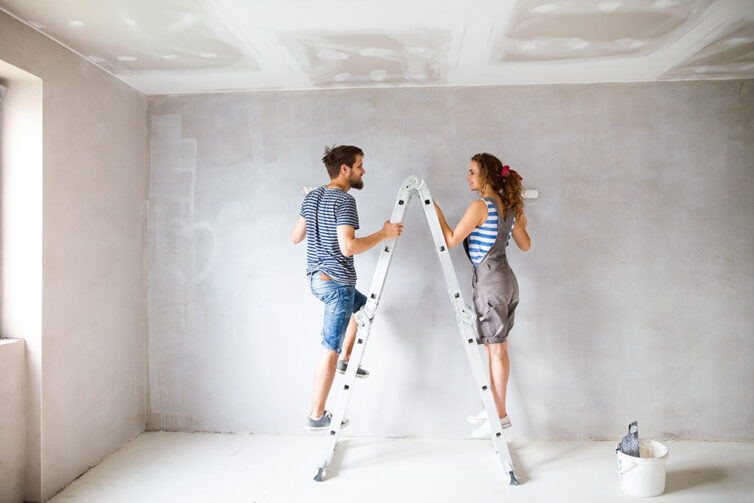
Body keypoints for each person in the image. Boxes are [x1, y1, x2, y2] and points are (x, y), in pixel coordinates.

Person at [291, 145, 403, 431]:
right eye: (359, 165)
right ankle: (316, 415)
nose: (363, 170)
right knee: (329, 348)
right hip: (337, 285)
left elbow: (296, 237)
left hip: (317, 280)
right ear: (345, 169)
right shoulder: (344, 201)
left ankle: (347, 359)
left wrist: (315, 211)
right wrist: (384, 233)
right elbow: (348, 247)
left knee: (366, 307)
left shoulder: (313, 196)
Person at [434, 153, 530, 437]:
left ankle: (498, 415)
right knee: (496, 348)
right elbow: (525, 245)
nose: (468, 177)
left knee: (496, 349)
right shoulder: (508, 208)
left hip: (490, 283)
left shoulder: (480, 206)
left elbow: (451, 240)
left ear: (486, 175)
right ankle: (495, 410)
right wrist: (522, 221)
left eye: (472, 172)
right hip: (507, 281)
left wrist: (435, 211)